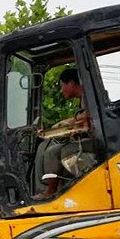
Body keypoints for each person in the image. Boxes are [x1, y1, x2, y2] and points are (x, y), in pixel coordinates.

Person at [34, 68, 95, 199]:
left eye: (63, 86)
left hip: (97, 142)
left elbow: (87, 118)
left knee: (56, 151)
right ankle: (57, 188)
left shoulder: (90, 97)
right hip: (89, 139)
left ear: (71, 83)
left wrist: (63, 125)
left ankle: (51, 191)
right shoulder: (84, 98)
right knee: (54, 150)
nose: (62, 91)